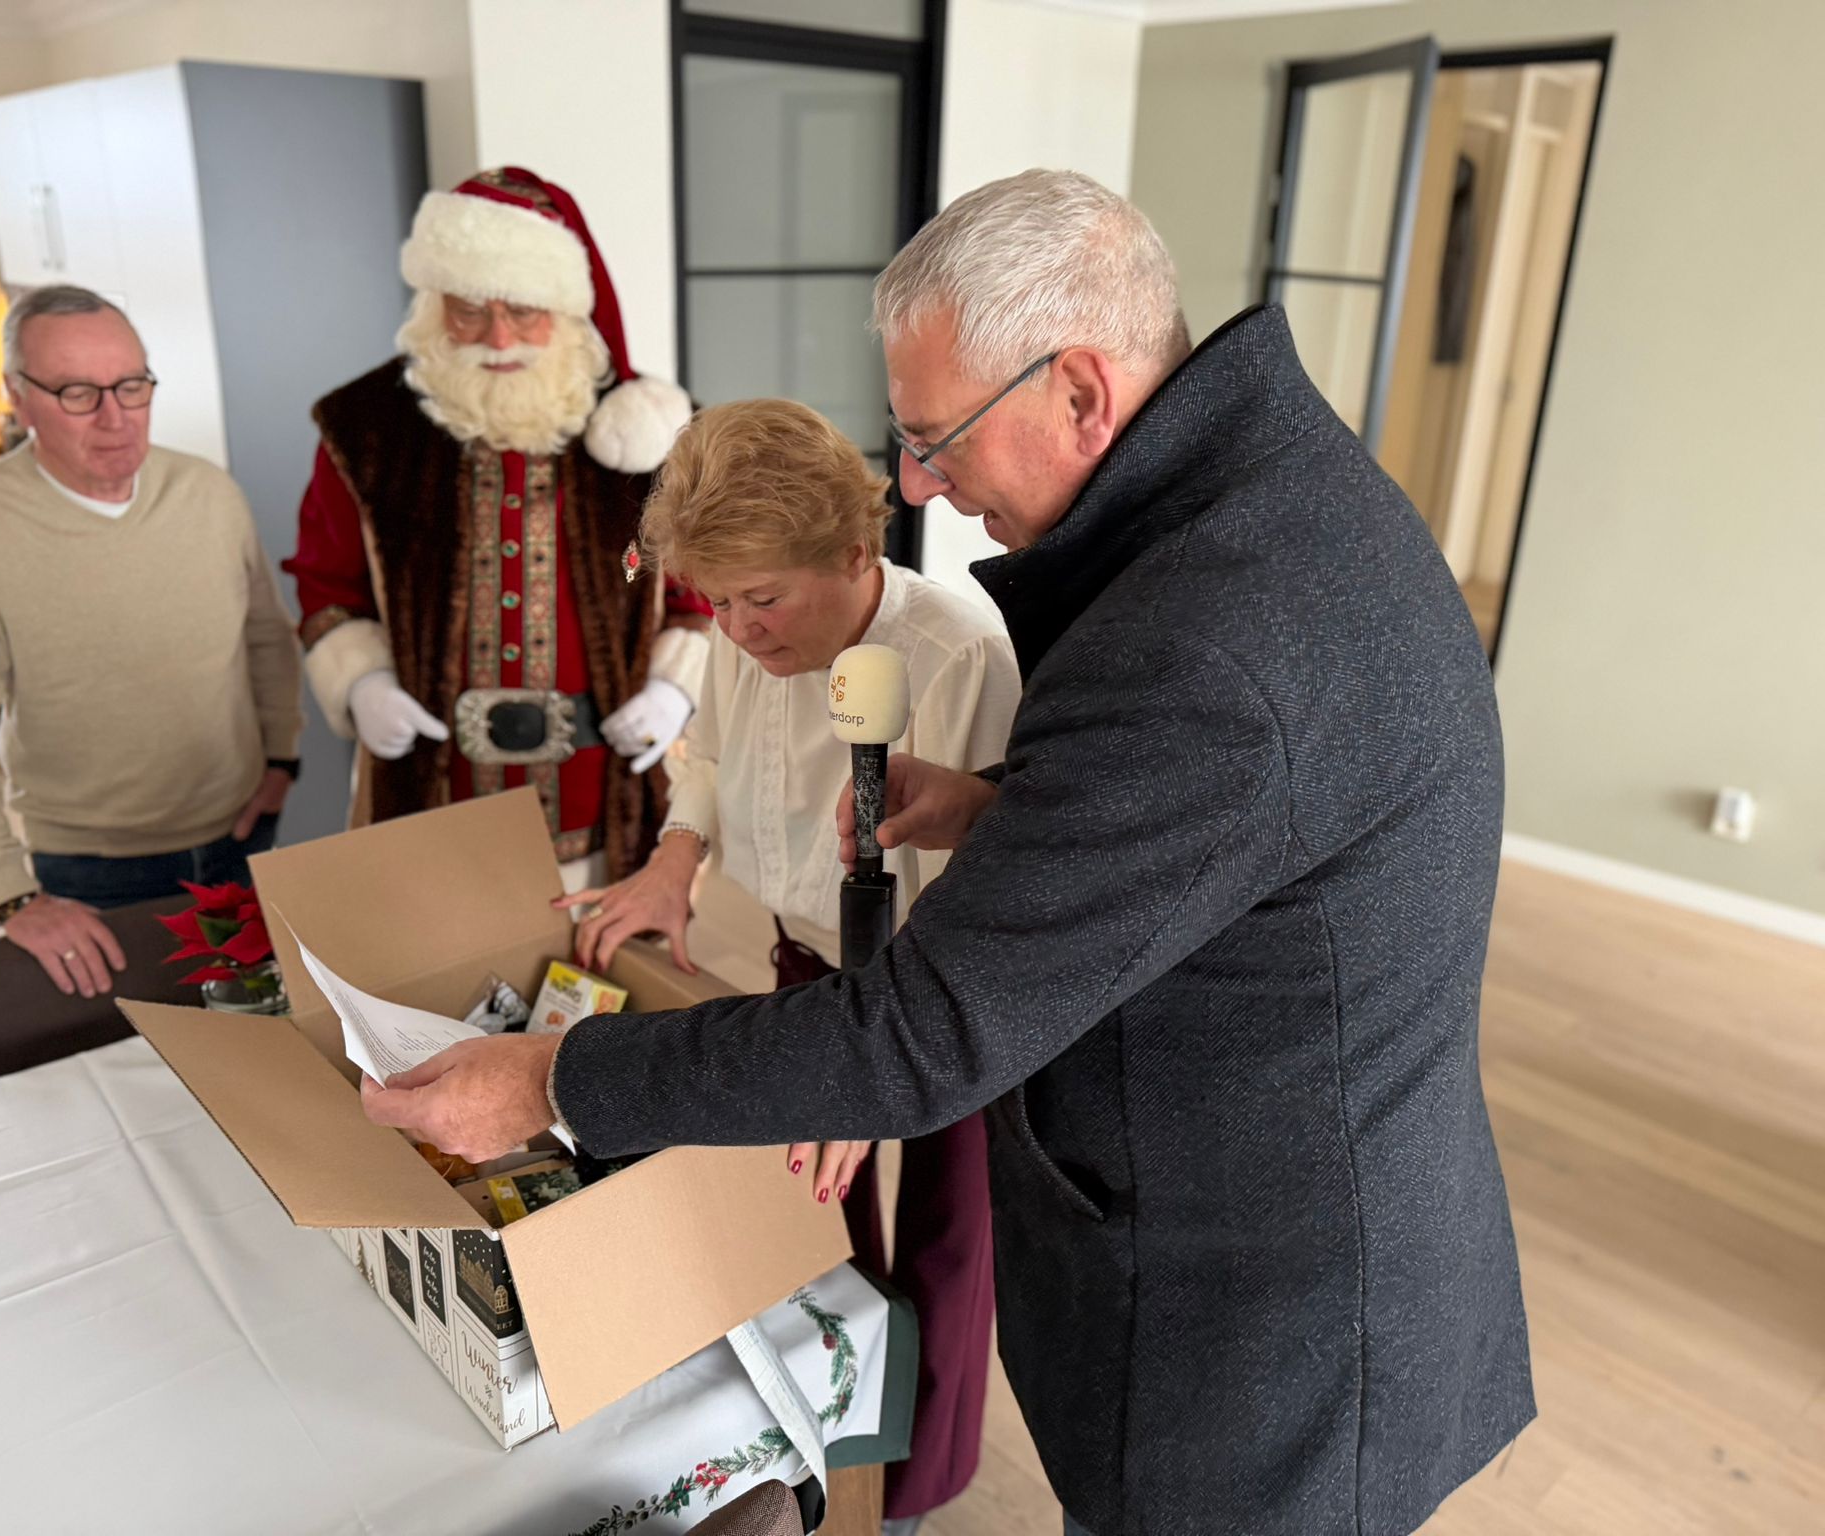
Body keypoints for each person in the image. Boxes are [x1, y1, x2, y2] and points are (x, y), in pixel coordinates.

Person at [361, 170, 1536, 1535]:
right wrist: (1002, 809)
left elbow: (922, 1040)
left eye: (940, 440)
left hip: (1273, 1320)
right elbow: (1259, 831)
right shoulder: (1278, 494)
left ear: (1083, 393)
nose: (920, 481)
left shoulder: (1196, 641)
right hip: (1335, 1207)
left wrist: (552, 1080)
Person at [553, 399, 1019, 1530]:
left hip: (941, 997)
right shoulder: (735, 636)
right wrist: (675, 859)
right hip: (802, 966)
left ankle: (912, 1490)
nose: (740, 630)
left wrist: (886, 1058)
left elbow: (997, 892)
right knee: (810, 1221)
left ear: (857, 553)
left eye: (762, 600)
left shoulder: (959, 656)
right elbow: (705, 756)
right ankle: (830, 1444)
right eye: (717, 603)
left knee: (952, 1238)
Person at [284, 167, 711, 889]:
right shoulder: (364, 429)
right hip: (434, 788)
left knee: (608, 984)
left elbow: (703, 583)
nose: (498, 337)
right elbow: (328, 581)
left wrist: (676, 688)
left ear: (568, 308)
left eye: (524, 309)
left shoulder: (650, 433)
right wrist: (361, 681)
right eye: (470, 310)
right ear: (434, 304)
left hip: (602, 788)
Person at [0, 284, 304, 999]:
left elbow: (266, 640)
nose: (117, 419)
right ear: (19, 398)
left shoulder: (210, 493)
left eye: (132, 385)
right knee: (142, 1066)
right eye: (79, 393)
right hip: (94, 869)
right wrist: (9, 892)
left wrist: (280, 758)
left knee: (256, 1033)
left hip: (242, 833)